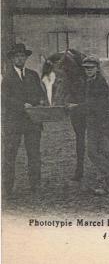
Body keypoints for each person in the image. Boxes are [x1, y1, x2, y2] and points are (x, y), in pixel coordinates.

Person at [1, 43, 46, 197]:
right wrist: (22, 105)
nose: (20, 58)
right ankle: (8, 188)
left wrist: (40, 102)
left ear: (26, 58)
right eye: (17, 56)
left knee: (34, 154)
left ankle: (36, 185)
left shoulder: (33, 75)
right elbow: (5, 99)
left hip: (33, 122)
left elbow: (41, 94)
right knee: (10, 155)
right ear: (13, 59)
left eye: (22, 56)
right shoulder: (7, 78)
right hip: (14, 123)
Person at [78, 56, 109, 195]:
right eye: (86, 69)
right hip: (94, 122)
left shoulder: (100, 83)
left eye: (91, 68)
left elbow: (95, 104)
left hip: (102, 122)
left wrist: (76, 107)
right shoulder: (89, 82)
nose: (88, 71)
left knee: (93, 152)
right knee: (102, 152)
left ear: (97, 69)